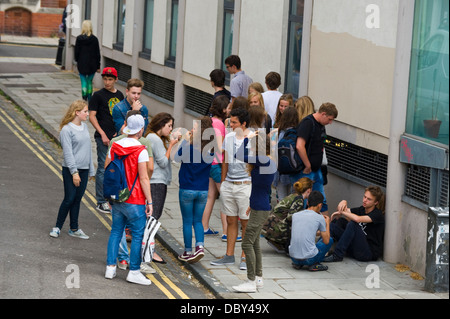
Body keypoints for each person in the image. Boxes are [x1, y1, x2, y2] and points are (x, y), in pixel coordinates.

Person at [104, 114, 153, 286]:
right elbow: (144, 178)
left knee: (116, 231)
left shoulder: (115, 146)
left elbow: (106, 168)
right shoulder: (141, 150)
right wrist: (150, 201)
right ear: (140, 129)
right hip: (135, 198)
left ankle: (110, 268)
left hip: (117, 196)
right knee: (138, 235)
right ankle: (134, 271)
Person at [232, 132, 276, 293]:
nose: (250, 148)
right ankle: (258, 278)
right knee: (255, 243)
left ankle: (250, 281)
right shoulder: (266, 161)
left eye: (252, 146)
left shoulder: (263, 160)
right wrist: (251, 204)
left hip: (260, 208)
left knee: (246, 243)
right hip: (259, 206)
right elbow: (260, 188)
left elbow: (238, 154)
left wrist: (245, 138)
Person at [211, 108, 251, 269]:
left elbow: (258, 166)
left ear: (244, 123)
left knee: (246, 223)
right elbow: (225, 161)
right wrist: (224, 184)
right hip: (229, 184)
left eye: (234, 122)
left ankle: (245, 257)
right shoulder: (228, 137)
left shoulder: (254, 139)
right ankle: (229, 256)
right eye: (230, 121)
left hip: (245, 186)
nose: (231, 125)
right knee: (230, 220)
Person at [50, 100, 95, 239]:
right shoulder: (66, 130)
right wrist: (74, 173)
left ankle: (74, 228)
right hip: (71, 170)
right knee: (69, 198)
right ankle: (57, 227)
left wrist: (91, 170)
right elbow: (68, 154)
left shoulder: (85, 127)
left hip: (84, 169)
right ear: (77, 112)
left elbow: (88, 150)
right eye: (85, 111)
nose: (88, 114)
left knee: (77, 199)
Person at [174, 117, 215, 263]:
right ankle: (200, 247)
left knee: (187, 221)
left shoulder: (189, 148)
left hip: (187, 188)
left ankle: (187, 251)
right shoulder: (211, 150)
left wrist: (185, 139)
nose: (192, 129)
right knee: (198, 221)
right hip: (203, 190)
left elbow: (177, 158)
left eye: (195, 127)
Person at [89, 67, 124, 214]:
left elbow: (122, 115)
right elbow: (92, 116)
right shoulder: (97, 95)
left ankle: (112, 197)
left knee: (117, 168)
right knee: (103, 168)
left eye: (110, 79)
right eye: (105, 79)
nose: (107, 82)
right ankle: (101, 201)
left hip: (117, 137)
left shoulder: (121, 95)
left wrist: (120, 131)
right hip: (103, 138)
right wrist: (102, 133)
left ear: (115, 80)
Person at [292, 102, 338, 214]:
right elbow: (299, 145)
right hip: (306, 170)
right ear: (323, 114)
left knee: (321, 200)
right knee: (303, 202)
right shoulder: (308, 123)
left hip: (316, 169)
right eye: (330, 119)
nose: (330, 122)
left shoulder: (320, 125)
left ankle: (325, 228)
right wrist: (307, 165)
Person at [145, 113, 179, 264]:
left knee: (152, 217)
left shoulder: (153, 138)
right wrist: (171, 145)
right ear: (161, 124)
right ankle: (148, 251)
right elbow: (163, 162)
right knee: (153, 217)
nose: (170, 129)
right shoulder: (154, 139)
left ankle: (148, 248)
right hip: (157, 182)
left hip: (157, 181)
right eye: (169, 126)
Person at [324, 186, 385, 263]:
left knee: (353, 224)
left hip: (367, 253)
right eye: (364, 197)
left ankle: (337, 255)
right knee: (339, 222)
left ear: (376, 202)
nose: (365, 200)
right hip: (355, 248)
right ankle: (320, 250)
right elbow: (342, 209)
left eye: (369, 199)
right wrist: (344, 202)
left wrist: (342, 212)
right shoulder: (362, 209)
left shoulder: (377, 214)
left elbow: (357, 219)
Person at [262, 177, 313, 253]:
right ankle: (286, 245)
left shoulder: (293, 195)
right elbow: (291, 217)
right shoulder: (299, 200)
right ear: (309, 190)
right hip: (275, 229)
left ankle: (279, 243)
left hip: (269, 226)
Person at [202, 96, 229, 237]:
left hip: (208, 163)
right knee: (225, 197)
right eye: (228, 107)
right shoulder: (220, 124)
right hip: (217, 164)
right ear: (223, 109)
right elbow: (219, 147)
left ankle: (204, 226)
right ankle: (226, 232)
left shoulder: (209, 121)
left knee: (210, 195)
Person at [289, 191, 333, 271]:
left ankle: (298, 264)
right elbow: (326, 241)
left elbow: (306, 231)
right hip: (309, 259)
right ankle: (314, 264)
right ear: (320, 205)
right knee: (330, 240)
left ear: (308, 202)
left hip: (293, 257)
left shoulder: (295, 215)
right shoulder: (319, 218)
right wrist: (327, 223)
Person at [272, 106, 300, 201]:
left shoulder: (281, 132)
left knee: (282, 199)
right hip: (294, 170)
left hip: (281, 171)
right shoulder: (298, 133)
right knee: (293, 198)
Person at [74, 20, 101, 102]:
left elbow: (76, 52)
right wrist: (98, 66)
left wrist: (77, 60)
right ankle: (90, 97)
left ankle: (84, 96)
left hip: (82, 63)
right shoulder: (94, 39)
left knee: (83, 81)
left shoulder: (79, 39)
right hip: (92, 64)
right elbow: (97, 53)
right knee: (89, 81)